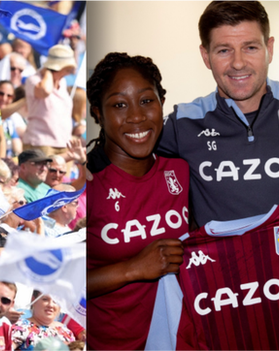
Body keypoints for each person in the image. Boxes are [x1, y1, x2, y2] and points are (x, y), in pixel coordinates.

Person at [154, 0, 279, 227]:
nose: (238, 63)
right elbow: (123, 151)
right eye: (224, 50)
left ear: (269, 49)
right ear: (206, 56)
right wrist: (89, 167)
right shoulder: (183, 123)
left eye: (250, 47)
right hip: (220, 261)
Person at [86, 52, 189, 350]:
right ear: (97, 113)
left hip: (177, 339)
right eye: (119, 105)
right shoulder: (86, 183)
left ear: (161, 103)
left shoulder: (180, 170)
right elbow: (63, 283)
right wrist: (132, 269)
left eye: (146, 101)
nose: (136, 116)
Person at [22, 44, 76, 157]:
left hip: (63, 143)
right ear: (56, 68)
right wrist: (47, 71)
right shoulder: (33, 80)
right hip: (40, 143)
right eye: (66, 69)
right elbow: (45, 91)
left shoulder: (62, 82)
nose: (68, 73)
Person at [11, 291, 75, 350]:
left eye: (56, 301)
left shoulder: (66, 331)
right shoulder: (21, 326)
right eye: (45, 299)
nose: (51, 305)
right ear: (34, 300)